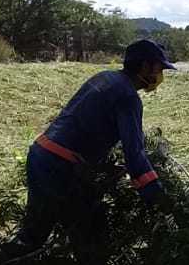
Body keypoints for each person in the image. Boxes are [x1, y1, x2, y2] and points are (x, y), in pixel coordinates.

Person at [16, 39, 174, 252]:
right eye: (158, 68)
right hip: (59, 167)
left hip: (42, 154)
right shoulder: (128, 97)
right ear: (144, 66)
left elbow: (87, 124)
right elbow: (135, 155)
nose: (160, 75)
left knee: (42, 229)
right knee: (89, 234)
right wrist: (157, 197)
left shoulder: (106, 77)